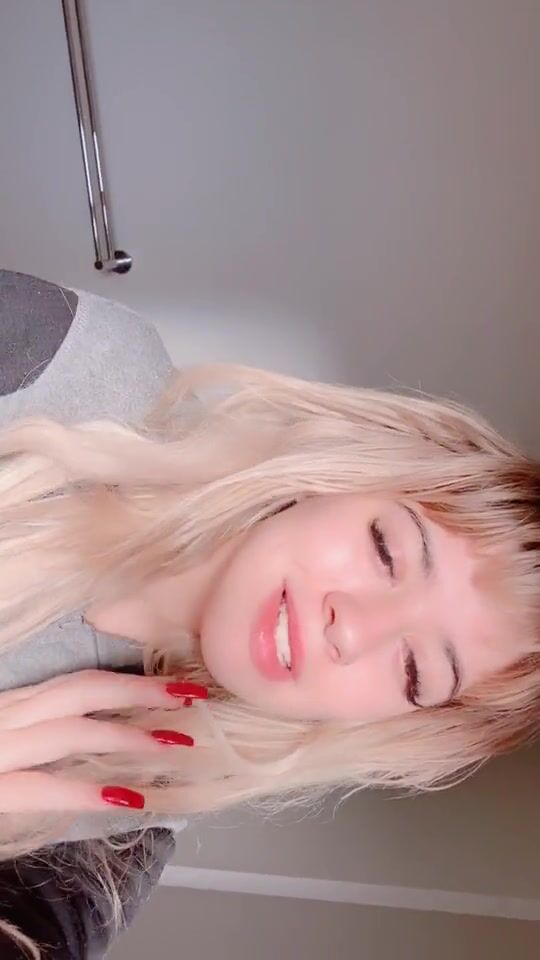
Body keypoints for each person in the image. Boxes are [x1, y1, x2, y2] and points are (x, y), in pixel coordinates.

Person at [0, 270, 539, 955]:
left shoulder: (119, 821)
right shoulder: (86, 367)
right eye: (387, 550)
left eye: (414, 671)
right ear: (351, 473)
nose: (354, 628)